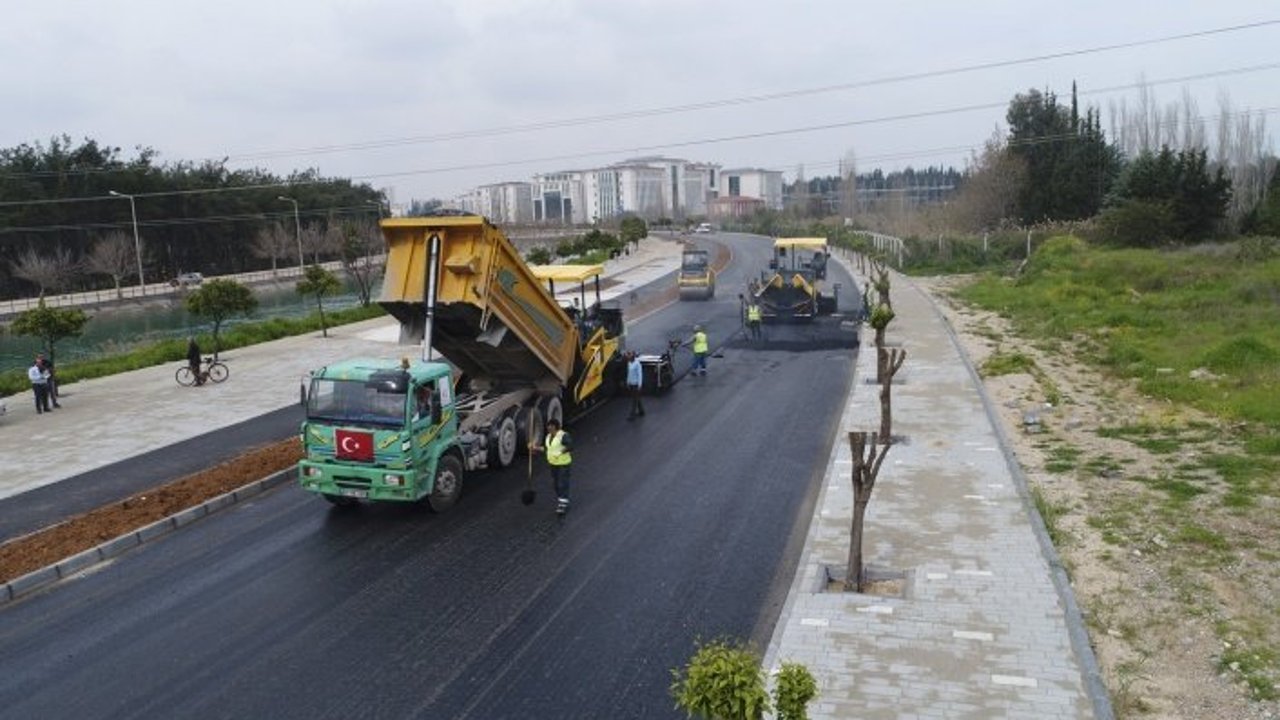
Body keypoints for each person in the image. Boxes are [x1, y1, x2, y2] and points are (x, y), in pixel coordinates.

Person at [531, 418, 573, 515]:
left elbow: (570, 446)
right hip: (553, 464)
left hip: (563, 464)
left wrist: (561, 451)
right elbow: (547, 449)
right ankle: (562, 500)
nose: (548, 428)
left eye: (550, 426)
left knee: (562, 483)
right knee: (556, 484)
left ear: (555, 426)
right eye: (548, 426)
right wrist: (535, 448)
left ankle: (563, 504)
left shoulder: (563, 436)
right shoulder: (548, 437)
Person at [625, 350, 645, 419]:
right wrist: (628, 382)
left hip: (636, 384)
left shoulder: (637, 364)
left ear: (633, 356)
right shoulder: (629, 363)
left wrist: (640, 384)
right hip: (631, 383)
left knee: (634, 400)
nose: (628, 356)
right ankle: (641, 411)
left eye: (629, 354)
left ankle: (632, 415)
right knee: (637, 398)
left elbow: (640, 375)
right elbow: (629, 374)